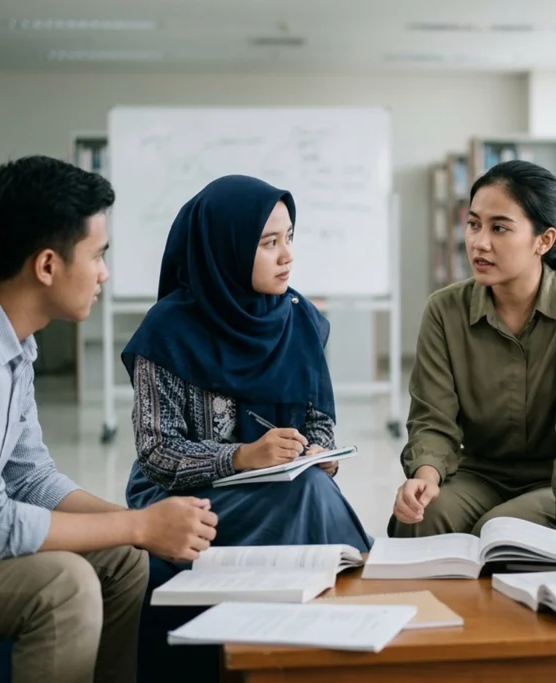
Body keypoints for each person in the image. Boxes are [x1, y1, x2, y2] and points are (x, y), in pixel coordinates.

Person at [0, 155, 217, 683]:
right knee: (66, 585)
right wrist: (138, 523)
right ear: (47, 266)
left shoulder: (14, 341)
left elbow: (30, 478)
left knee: (124, 557)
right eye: (97, 255)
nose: (104, 273)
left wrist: (141, 527)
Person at [122, 174, 370, 551]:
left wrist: (318, 454)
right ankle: (356, 568)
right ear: (227, 248)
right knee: (307, 497)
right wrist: (244, 456)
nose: (287, 255)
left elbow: (317, 421)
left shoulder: (299, 320)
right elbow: (157, 453)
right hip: (186, 502)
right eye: (270, 243)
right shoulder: (168, 331)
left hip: (280, 488)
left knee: (310, 486)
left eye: (289, 237)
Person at [388, 160, 556, 541]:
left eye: (499, 228)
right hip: (480, 476)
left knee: (502, 530)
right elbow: (432, 418)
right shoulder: (444, 309)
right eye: (473, 224)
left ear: (544, 240)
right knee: (422, 518)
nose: (479, 242)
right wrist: (425, 478)